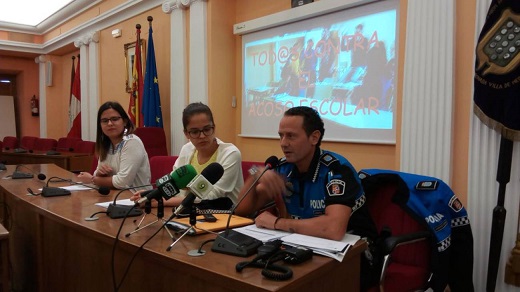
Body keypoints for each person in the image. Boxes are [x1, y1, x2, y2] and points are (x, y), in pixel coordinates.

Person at [234, 106, 369, 241]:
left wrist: (276, 223)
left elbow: (333, 230)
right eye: (281, 136)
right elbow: (241, 210)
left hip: (353, 252)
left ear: (314, 138)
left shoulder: (337, 170)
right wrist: (254, 175)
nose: (283, 143)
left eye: (291, 136)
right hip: (305, 245)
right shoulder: (283, 168)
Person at [131, 102, 243, 209]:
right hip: (188, 211)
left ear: (214, 128)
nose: (202, 136)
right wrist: (152, 194)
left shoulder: (231, 153)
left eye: (207, 129)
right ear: (186, 134)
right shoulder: (187, 149)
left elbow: (212, 194)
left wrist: (162, 201)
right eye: (195, 132)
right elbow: (175, 183)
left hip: (225, 216)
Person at [77, 101, 151, 191]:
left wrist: (92, 179)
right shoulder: (106, 143)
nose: (109, 124)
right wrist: (100, 174)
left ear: (124, 121)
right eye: (104, 121)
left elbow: (123, 182)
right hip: (113, 196)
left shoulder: (132, 142)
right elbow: (97, 172)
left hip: (136, 200)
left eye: (114, 119)